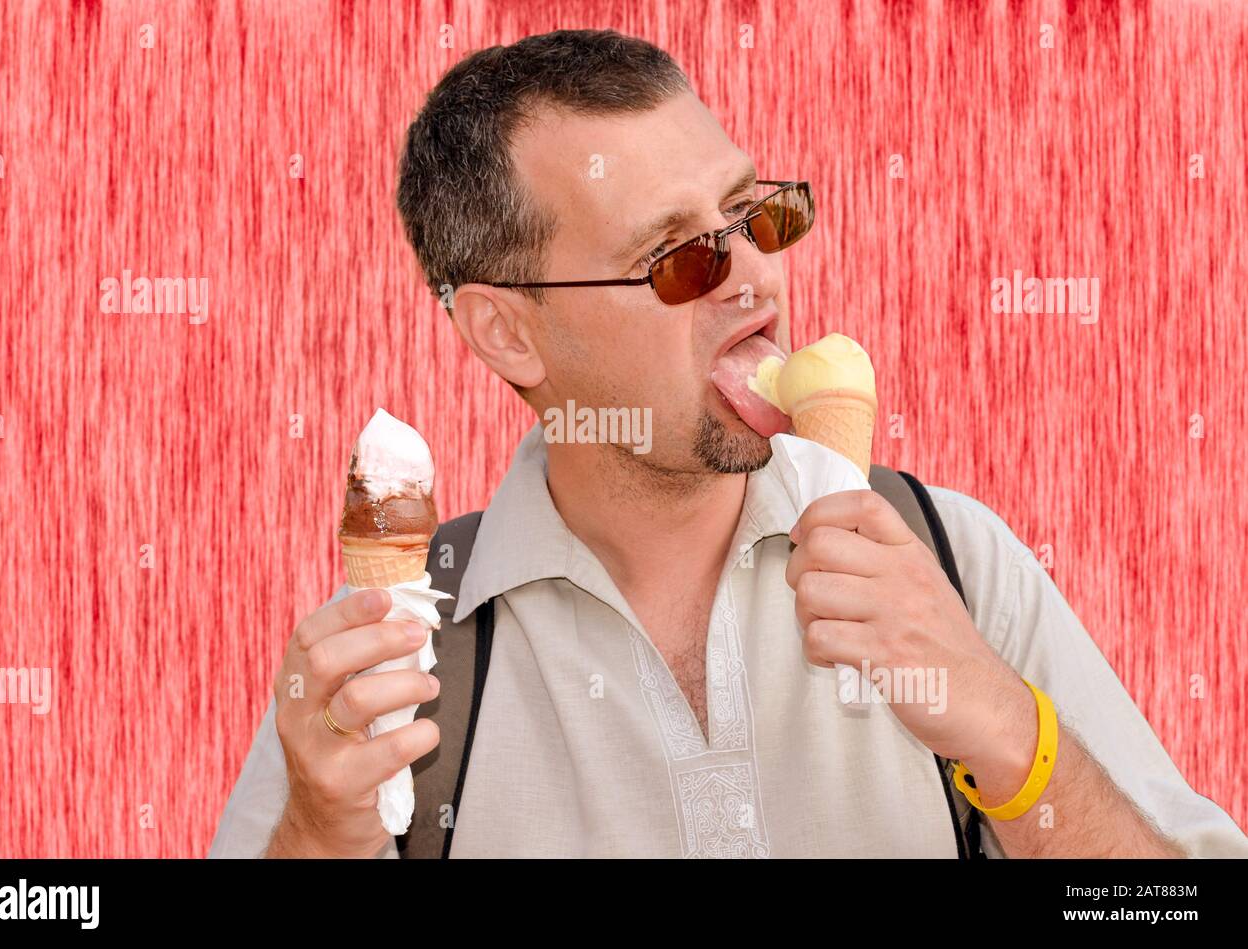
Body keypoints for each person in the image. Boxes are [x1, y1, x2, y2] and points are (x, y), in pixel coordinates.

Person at [209, 29, 1247, 859]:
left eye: (753, 214)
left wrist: (1006, 731)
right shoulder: (399, 662)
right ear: (506, 331)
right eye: (676, 257)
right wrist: (320, 833)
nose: (755, 276)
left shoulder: (953, 561)